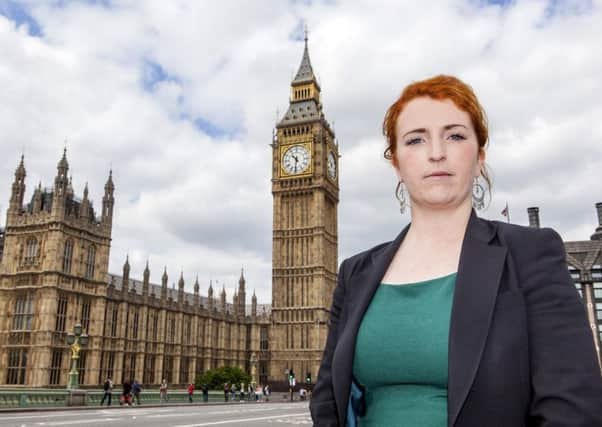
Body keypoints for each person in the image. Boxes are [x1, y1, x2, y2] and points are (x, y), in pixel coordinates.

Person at [309, 75, 602, 426]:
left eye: (455, 135)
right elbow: (327, 402)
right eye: (416, 139)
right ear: (396, 164)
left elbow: (573, 408)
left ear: (479, 157)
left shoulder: (530, 253)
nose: (436, 153)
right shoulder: (355, 273)